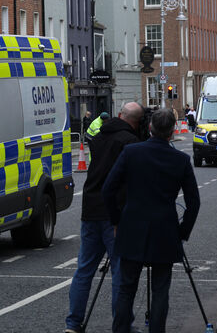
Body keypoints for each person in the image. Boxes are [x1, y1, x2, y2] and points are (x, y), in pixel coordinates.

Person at [102, 108, 200, 333]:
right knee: (160, 290)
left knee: (126, 289)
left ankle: (121, 330)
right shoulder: (181, 160)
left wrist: (116, 221)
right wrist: (182, 232)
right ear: (172, 131)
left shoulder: (131, 152)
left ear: (150, 128)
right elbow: (194, 203)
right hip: (165, 231)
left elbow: (108, 190)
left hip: (131, 228)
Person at [65, 103, 144, 333]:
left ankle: (72, 323)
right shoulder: (130, 143)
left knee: (84, 269)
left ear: (119, 115)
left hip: (90, 207)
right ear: (136, 122)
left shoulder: (98, 136)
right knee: (119, 271)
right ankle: (121, 326)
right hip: (114, 213)